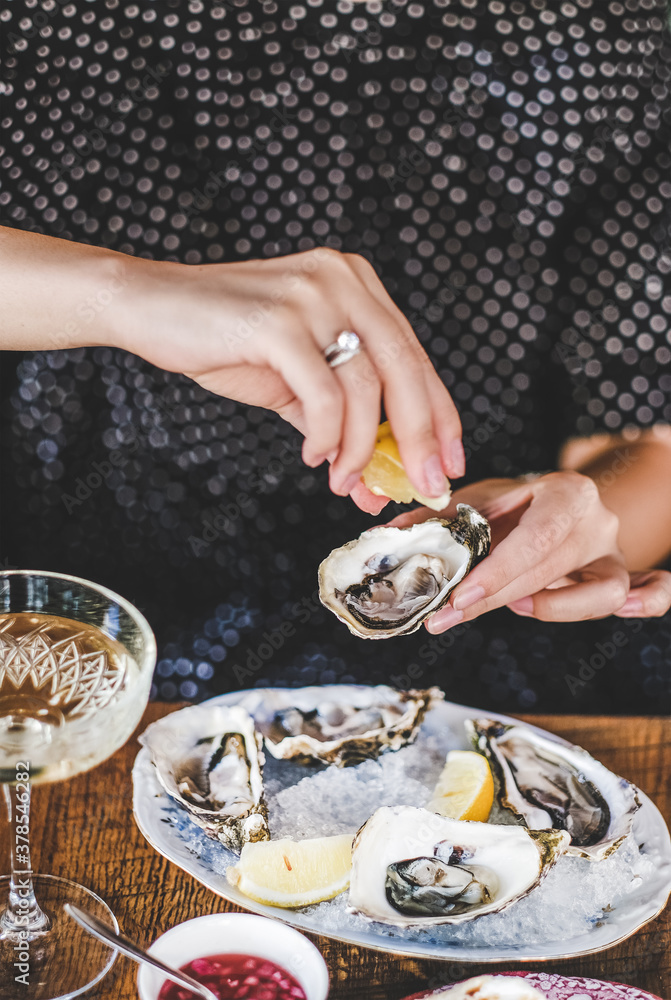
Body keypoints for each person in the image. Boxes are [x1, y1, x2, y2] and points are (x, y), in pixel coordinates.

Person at [0, 0, 669, 712]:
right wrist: (120, 293)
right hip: (88, 609)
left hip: (487, 650)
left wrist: (545, 534)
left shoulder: (604, 33)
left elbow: (643, 440)